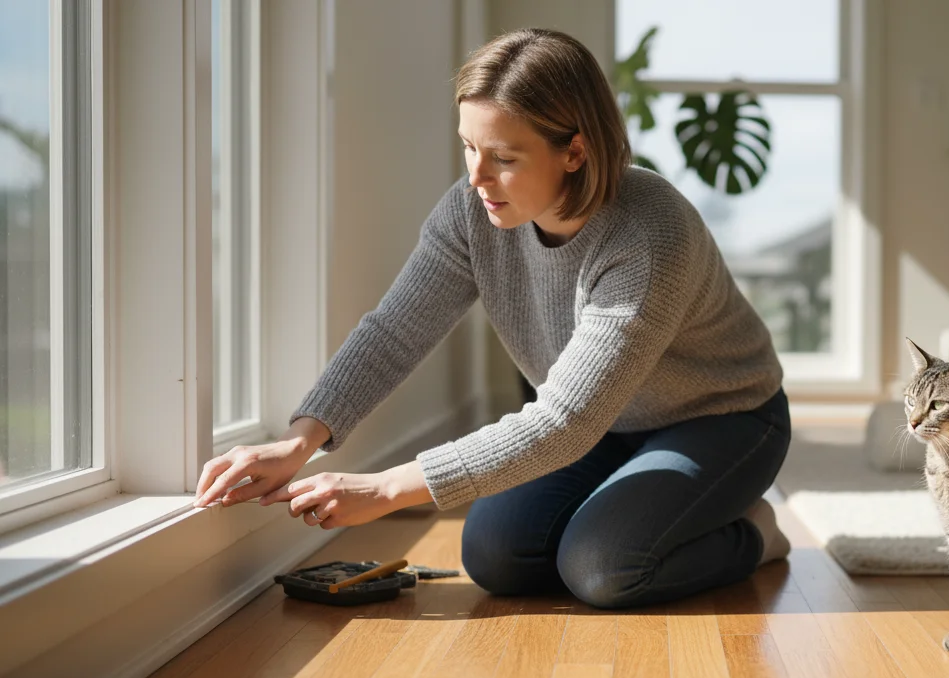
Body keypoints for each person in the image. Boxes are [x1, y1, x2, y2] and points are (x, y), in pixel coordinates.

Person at [192, 28, 791, 610]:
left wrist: (384, 489)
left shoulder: (649, 233)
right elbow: (395, 330)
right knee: (496, 555)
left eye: (503, 157)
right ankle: (647, 512)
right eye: (469, 148)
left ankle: (757, 533)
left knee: (602, 567)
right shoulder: (473, 212)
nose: (476, 178)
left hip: (723, 419)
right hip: (606, 429)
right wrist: (301, 442)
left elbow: (564, 422)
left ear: (575, 152)